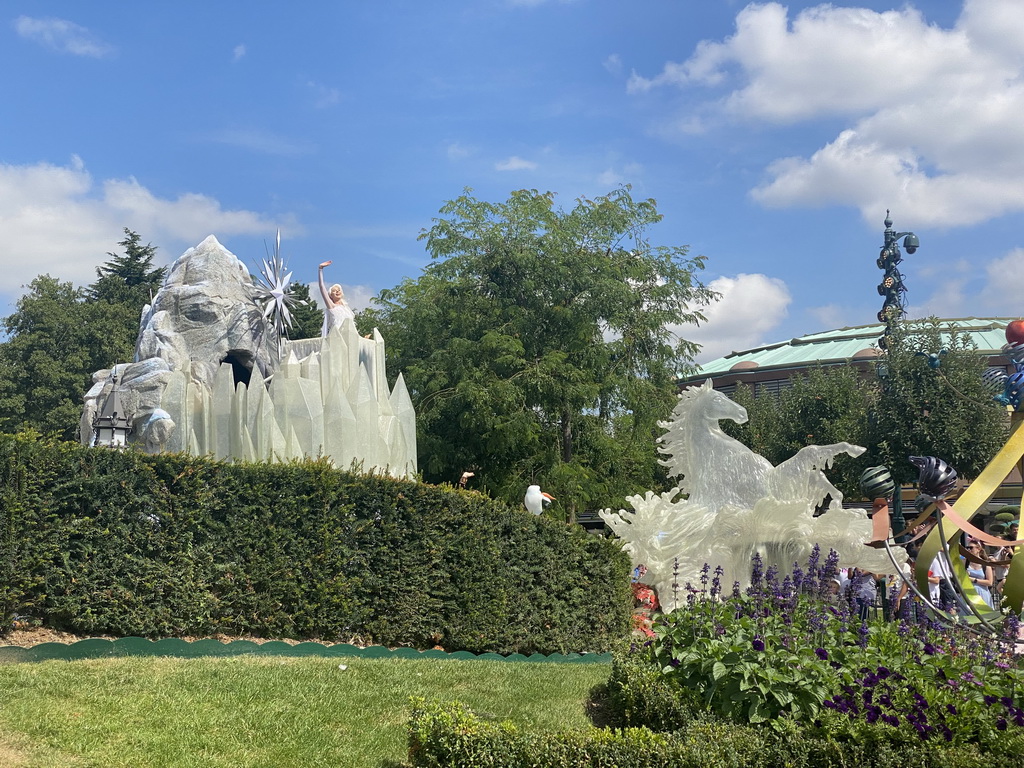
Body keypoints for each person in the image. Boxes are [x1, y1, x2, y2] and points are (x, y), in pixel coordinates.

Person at [318, 260, 355, 336]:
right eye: (334, 291)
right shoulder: (332, 307)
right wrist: (320, 269)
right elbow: (322, 287)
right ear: (331, 296)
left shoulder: (347, 309)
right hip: (337, 336)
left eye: (338, 290)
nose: (337, 291)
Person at [965, 541, 995, 609]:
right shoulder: (965, 562)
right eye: (967, 548)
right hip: (969, 593)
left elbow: (990, 582)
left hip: (982, 594)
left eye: (971, 548)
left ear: (978, 549)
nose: (969, 550)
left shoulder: (985, 564)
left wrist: (974, 580)